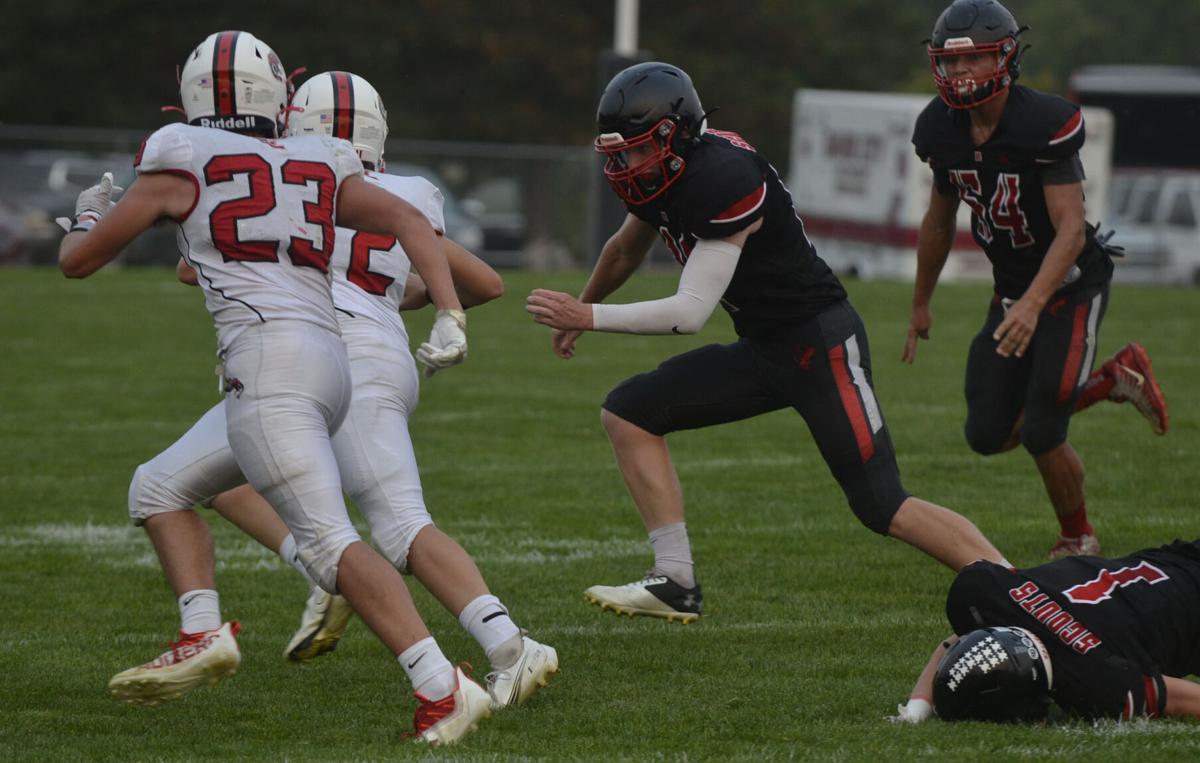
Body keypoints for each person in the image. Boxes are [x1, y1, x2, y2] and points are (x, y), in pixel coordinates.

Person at [59, 32, 487, 746]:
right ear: (278, 94)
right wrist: (448, 310)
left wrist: (86, 215)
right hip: (331, 361)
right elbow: (410, 220)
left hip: (266, 365)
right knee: (158, 488)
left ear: (196, 95)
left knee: (330, 547)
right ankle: (201, 632)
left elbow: (77, 263)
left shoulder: (178, 155)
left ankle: (444, 688)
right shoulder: (315, 157)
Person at [525, 61, 1007, 625]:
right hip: (765, 347)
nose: (625, 165)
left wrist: (589, 314)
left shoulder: (723, 177)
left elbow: (688, 313)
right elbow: (626, 249)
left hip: (820, 343)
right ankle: (675, 580)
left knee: (882, 504)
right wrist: (581, 306)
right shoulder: (669, 174)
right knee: (628, 413)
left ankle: (1016, 588)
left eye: (635, 150)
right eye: (618, 152)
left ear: (674, 134)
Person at [185, 70, 558, 705]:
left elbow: (193, 266)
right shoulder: (406, 190)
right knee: (220, 478)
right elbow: (487, 282)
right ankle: (486, 637)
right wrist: (409, 297)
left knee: (395, 523)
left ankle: (508, 646)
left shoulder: (292, 179)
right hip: (382, 356)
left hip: (320, 354)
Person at [904, 0, 1170, 560]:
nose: (959, 74)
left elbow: (1071, 229)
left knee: (1044, 426)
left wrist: (1031, 304)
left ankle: (1078, 537)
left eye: (973, 60)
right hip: (1011, 291)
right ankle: (1112, 380)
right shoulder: (939, 129)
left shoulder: (1042, 122)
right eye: (951, 64)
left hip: (1071, 284)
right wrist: (921, 301)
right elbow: (938, 217)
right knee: (985, 431)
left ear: (1004, 58)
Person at [894, 539, 1200, 724]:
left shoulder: (1100, 683)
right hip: (1175, 560)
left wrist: (916, 711)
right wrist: (918, 707)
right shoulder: (991, 595)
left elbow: (1181, 699)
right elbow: (965, 641)